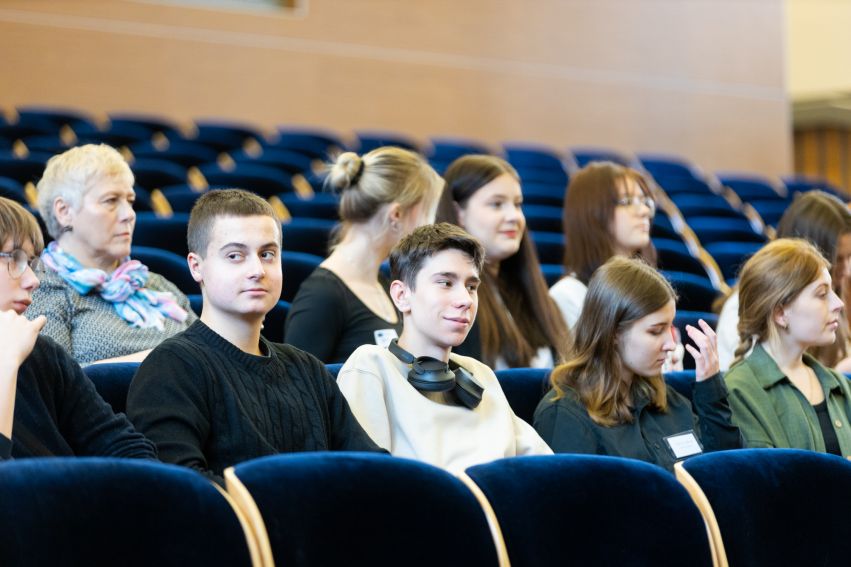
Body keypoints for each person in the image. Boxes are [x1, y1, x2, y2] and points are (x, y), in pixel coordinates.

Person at [127, 189, 381, 484]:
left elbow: (369, 468)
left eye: (268, 254)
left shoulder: (308, 369)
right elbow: (183, 491)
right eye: (235, 256)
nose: (257, 270)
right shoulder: (171, 369)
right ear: (196, 267)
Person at [337, 223, 552, 473]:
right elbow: (368, 482)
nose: (465, 300)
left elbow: (545, 468)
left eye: (471, 287)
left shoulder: (479, 375)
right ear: (401, 295)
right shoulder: (371, 366)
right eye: (445, 283)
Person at [533, 257, 741, 472]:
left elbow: (725, 474)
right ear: (613, 332)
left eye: (669, 328)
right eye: (655, 331)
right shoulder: (564, 415)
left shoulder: (668, 400)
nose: (670, 344)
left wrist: (710, 388)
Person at [0, 197, 156, 460]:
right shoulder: (20, 351)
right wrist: (6, 365)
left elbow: (123, 445)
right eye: (14, 260)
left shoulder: (41, 351)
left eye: (31, 263)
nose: (33, 280)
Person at [27, 144, 196, 365]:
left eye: (130, 201)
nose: (129, 215)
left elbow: (214, 359)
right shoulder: (40, 290)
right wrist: (163, 360)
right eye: (110, 201)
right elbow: (55, 387)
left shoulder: (154, 284)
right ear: (64, 212)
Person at [285, 147, 443, 363]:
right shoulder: (321, 296)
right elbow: (295, 390)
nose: (430, 225)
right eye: (427, 213)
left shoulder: (386, 282)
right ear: (396, 215)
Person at [435, 155, 569, 369]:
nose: (514, 216)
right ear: (459, 212)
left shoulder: (533, 294)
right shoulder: (452, 303)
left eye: (517, 205)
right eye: (497, 204)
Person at [724, 238, 851, 456]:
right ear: (780, 313)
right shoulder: (739, 390)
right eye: (822, 294)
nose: (838, 303)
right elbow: (772, 483)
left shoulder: (838, 383)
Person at [716, 191, 851, 370]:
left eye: (850, 256)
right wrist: (840, 376)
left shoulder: (836, 293)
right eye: (838, 259)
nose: (848, 270)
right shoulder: (742, 310)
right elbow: (762, 387)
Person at [549, 161, 657, 329]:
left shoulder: (651, 288)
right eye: (627, 201)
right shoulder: (568, 296)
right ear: (592, 212)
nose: (644, 211)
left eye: (645, 202)